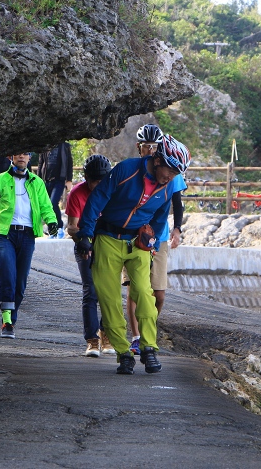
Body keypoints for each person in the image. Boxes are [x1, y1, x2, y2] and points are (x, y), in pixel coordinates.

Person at [75, 135, 191, 375]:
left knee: (144, 294)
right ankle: (123, 352)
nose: (172, 176)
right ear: (157, 160)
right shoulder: (127, 169)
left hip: (138, 242)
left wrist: (154, 243)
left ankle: (149, 348)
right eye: (170, 169)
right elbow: (97, 199)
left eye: (177, 172)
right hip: (108, 238)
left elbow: (160, 216)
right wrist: (85, 235)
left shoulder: (169, 185)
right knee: (108, 299)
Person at [0, 152, 58, 338]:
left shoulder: (37, 182)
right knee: (8, 274)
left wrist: (52, 221)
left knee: (20, 282)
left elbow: (46, 206)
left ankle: (12, 318)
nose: (21, 157)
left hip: (28, 235)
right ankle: (6, 321)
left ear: (30, 157)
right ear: (10, 157)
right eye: (18, 154)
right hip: (4, 234)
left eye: (25, 154)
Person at [124, 125, 187, 355]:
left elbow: (176, 202)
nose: (150, 150)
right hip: (131, 235)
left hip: (157, 238)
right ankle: (137, 336)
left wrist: (177, 230)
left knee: (158, 293)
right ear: (139, 147)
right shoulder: (133, 170)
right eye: (146, 146)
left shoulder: (170, 173)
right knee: (135, 288)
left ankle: (148, 325)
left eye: (154, 146)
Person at [66, 155, 115, 357]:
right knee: (91, 291)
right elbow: (71, 226)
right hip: (85, 245)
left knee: (109, 292)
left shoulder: (113, 192)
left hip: (108, 245)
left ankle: (107, 335)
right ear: (86, 178)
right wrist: (82, 238)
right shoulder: (77, 193)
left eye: (101, 181)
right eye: (93, 181)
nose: (97, 185)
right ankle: (92, 339)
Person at [38, 142, 73, 239]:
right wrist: (38, 180)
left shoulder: (64, 146)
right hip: (46, 180)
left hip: (59, 180)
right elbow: (41, 163)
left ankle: (60, 227)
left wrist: (69, 179)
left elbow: (69, 162)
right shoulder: (45, 145)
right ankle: (52, 230)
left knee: (53, 203)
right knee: (46, 205)